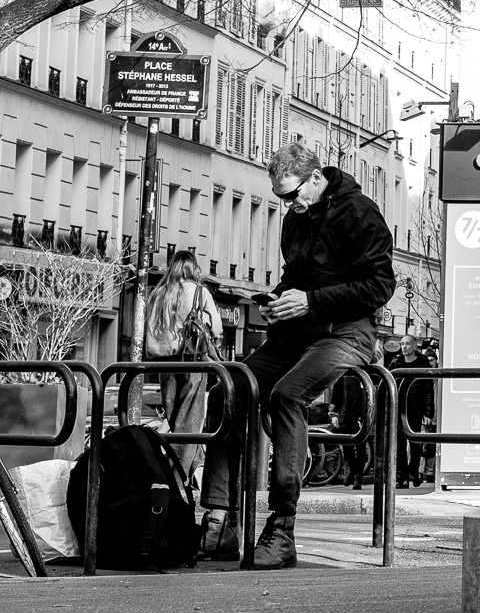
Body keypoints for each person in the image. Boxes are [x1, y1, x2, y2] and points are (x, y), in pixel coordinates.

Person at [198, 142, 395, 569]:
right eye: (280, 197)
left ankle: (282, 526)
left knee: (287, 395)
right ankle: (220, 518)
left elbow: (380, 286)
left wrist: (311, 301)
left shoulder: (360, 213)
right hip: (296, 333)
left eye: (292, 194)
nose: (288, 204)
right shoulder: (296, 218)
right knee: (226, 391)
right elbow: (296, 276)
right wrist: (279, 299)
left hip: (345, 332)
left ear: (316, 178)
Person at [145, 250, 221, 489]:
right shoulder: (198, 291)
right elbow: (217, 329)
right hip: (191, 360)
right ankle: (176, 481)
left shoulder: (158, 293)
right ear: (193, 268)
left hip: (165, 363)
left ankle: (190, 470)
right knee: (189, 422)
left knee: (175, 418)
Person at [391, 336, 435, 486]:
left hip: (416, 408)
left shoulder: (423, 363)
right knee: (400, 445)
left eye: (407, 344)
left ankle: (414, 471)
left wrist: (429, 413)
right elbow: (388, 386)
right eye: (402, 344)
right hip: (398, 408)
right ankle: (402, 476)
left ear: (415, 346)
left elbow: (428, 389)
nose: (404, 347)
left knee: (414, 442)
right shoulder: (396, 363)